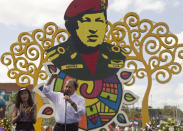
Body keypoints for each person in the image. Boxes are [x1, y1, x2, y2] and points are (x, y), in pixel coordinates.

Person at [46, 0, 126, 80]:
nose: (93, 29)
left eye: (99, 21)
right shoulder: (58, 56)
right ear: (74, 26)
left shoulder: (117, 55)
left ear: (105, 26)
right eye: (86, 20)